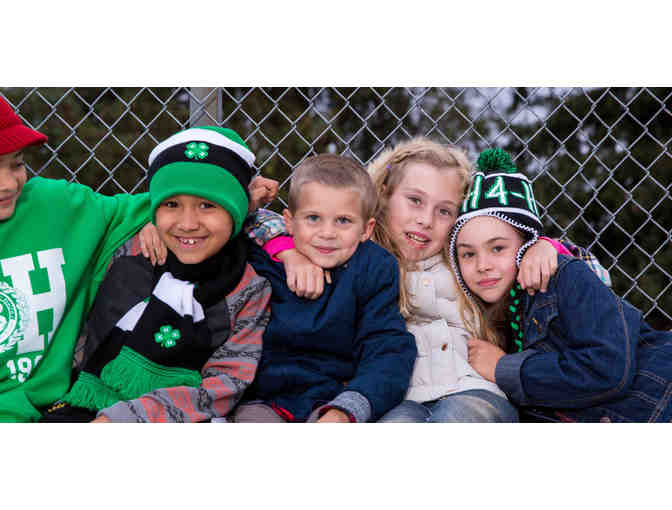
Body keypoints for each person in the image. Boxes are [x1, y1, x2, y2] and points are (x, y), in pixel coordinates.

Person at [253, 138, 611, 423]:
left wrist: (542, 247)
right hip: (400, 396)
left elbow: (593, 272)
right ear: (383, 196)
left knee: (457, 420)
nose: (426, 220)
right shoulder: (354, 253)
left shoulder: (465, 259)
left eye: (444, 211)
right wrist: (286, 249)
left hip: (474, 387)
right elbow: (266, 223)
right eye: (414, 201)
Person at [41, 126, 271, 422]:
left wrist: (128, 417)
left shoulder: (248, 287)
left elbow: (226, 384)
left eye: (207, 205)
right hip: (84, 399)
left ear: (237, 210)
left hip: (177, 418)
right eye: (171, 204)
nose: (187, 224)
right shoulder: (128, 250)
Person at [450, 147, 672, 422]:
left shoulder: (563, 278)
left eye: (497, 248)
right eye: (468, 254)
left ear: (526, 246)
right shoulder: (481, 321)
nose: (482, 265)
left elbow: (608, 369)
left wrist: (502, 368)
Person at [0, 95, 153, 422]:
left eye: (16, 163)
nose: (8, 184)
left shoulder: (52, 205)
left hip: (53, 407)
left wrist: (239, 193)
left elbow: (173, 205)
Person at [233, 154, 417, 423]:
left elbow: (387, 347)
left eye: (343, 221)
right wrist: (249, 204)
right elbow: (216, 228)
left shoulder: (374, 267)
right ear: (289, 221)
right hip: (264, 398)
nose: (327, 233)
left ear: (366, 229)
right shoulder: (263, 262)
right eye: (313, 218)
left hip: (337, 397)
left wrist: (348, 408)